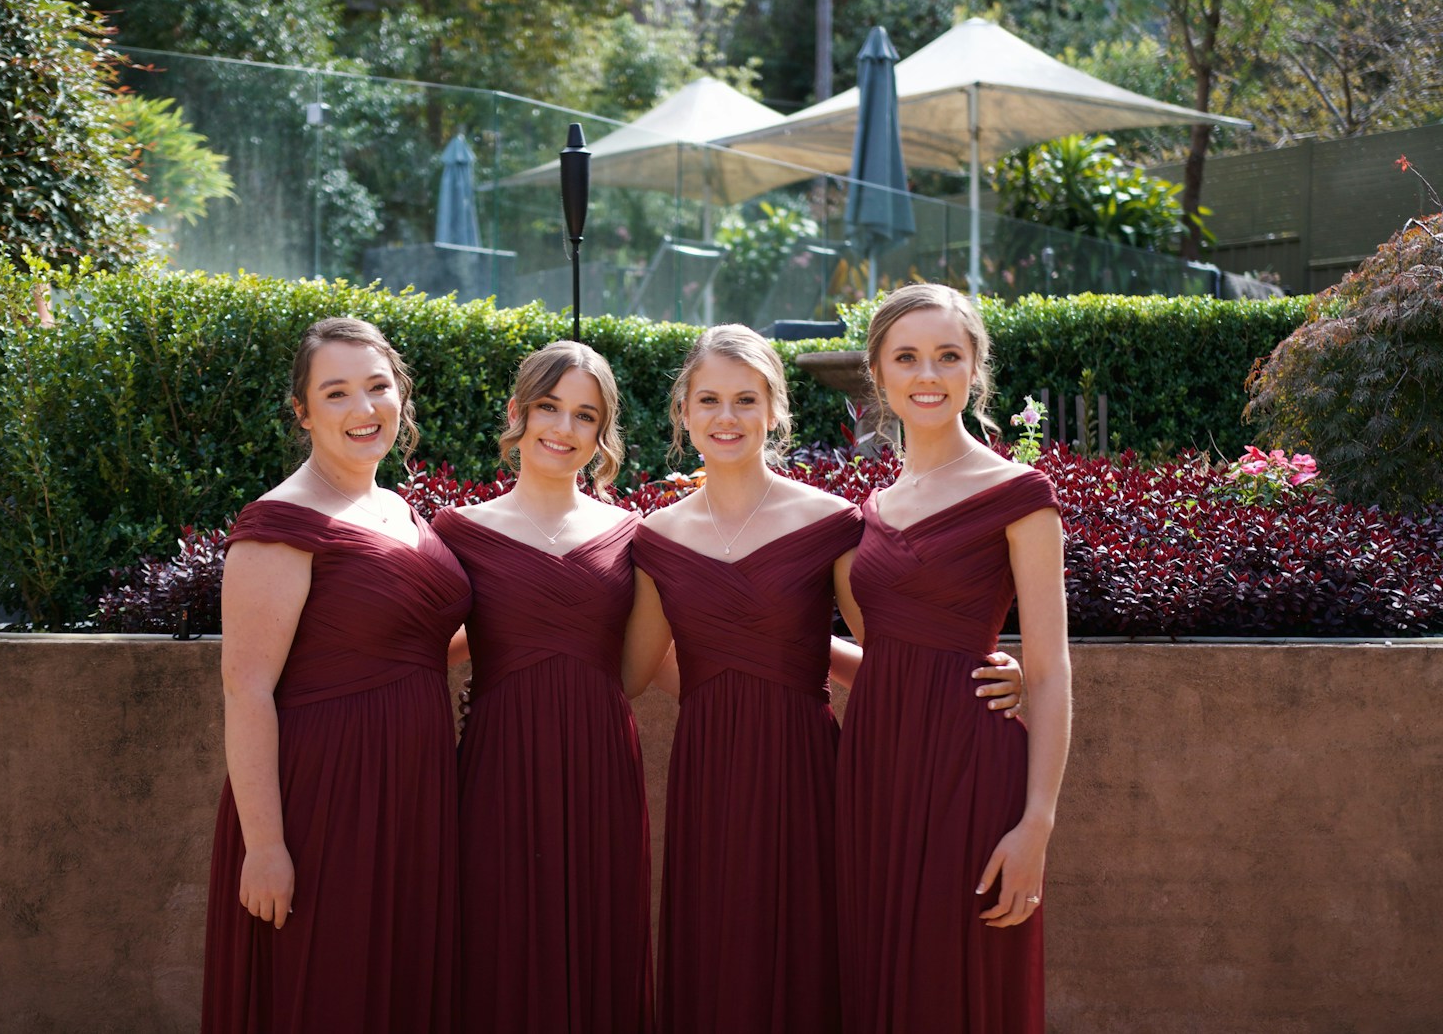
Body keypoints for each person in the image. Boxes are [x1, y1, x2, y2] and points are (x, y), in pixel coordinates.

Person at [624, 325, 1025, 1033]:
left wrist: (986, 671)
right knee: (718, 945)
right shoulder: (655, 537)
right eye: (709, 400)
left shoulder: (830, 523)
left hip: (808, 763)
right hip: (709, 768)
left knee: (811, 948)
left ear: (775, 409)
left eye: (746, 399)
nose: (727, 417)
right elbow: (633, 665)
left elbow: (889, 648)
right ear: (682, 412)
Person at [201, 317, 473, 1033]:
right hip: (327, 796)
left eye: (378, 387)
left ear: (401, 396)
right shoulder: (280, 523)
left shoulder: (399, 511)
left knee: (400, 987)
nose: (364, 410)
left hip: (415, 790)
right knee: (328, 988)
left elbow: (407, 645)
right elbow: (247, 687)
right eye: (337, 393)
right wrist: (265, 846)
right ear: (303, 412)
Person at [834, 284, 1072, 1033]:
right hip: (873, 771)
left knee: (961, 977)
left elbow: (1049, 670)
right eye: (906, 357)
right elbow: (885, 654)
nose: (927, 374)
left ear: (976, 369)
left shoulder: (1019, 495)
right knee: (880, 978)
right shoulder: (872, 510)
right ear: (879, 374)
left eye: (947, 355)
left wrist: (1037, 824)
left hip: (970, 770)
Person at [431, 341, 653, 1034]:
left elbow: (658, 659)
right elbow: (418, 649)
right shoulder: (457, 532)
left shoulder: (634, 536)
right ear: (517, 412)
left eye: (584, 415)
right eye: (549, 406)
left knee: (602, 933)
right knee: (496, 936)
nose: (562, 428)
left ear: (601, 432)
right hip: (499, 761)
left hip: (601, 765)